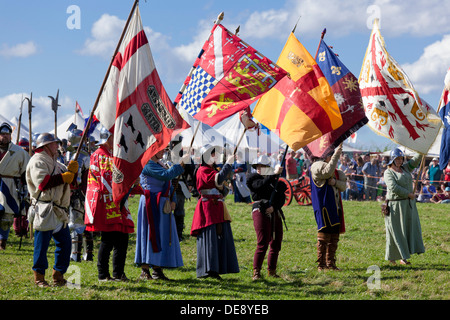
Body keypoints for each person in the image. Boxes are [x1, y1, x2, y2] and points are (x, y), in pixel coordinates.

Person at [84, 128, 140, 282]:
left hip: (119, 202)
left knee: (122, 239)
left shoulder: (116, 155)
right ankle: (103, 274)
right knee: (108, 240)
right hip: (106, 203)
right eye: (113, 137)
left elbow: (121, 177)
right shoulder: (98, 155)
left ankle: (118, 273)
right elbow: (104, 179)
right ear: (106, 138)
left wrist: (133, 182)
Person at [26, 133, 78, 287]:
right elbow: (42, 183)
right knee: (41, 247)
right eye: (54, 143)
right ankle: (39, 278)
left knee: (65, 243)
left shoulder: (56, 162)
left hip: (58, 210)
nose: (57, 146)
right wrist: (64, 177)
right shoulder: (37, 160)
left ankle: (58, 276)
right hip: (44, 209)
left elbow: (69, 183)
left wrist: (72, 173)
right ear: (46, 146)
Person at [135, 146, 186, 280]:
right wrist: (180, 165)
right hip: (150, 202)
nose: (164, 151)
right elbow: (165, 175)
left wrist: (172, 199)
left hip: (161, 203)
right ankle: (145, 270)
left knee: (161, 235)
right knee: (149, 234)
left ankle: (157, 268)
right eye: (161, 149)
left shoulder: (161, 163)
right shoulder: (147, 163)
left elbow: (169, 182)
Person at [190, 145, 239, 279]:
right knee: (210, 237)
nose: (215, 157)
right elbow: (218, 179)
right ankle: (209, 269)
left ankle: (217, 267)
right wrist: (228, 164)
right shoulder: (203, 170)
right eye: (213, 155)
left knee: (219, 236)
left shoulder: (210, 169)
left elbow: (222, 187)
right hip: (208, 208)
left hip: (216, 206)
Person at [246, 155, 286, 280]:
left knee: (276, 242)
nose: (259, 168)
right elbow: (260, 186)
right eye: (257, 166)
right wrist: (273, 174)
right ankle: (256, 272)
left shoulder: (275, 181)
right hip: (260, 210)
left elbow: (281, 198)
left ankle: (272, 271)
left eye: (262, 166)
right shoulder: (252, 178)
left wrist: (274, 207)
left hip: (274, 211)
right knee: (262, 242)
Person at [383, 148, 425, 265]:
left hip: (408, 205)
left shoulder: (405, 168)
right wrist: (408, 194)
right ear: (392, 159)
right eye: (397, 159)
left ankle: (403, 257)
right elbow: (393, 187)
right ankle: (394, 257)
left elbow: (415, 161)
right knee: (397, 232)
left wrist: (422, 150)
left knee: (406, 230)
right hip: (395, 206)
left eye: (401, 159)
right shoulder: (388, 172)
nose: (400, 161)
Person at [310, 143, 346, 271]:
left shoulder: (335, 171)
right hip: (323, 206)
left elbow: (343, 186)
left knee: (334, 237)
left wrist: (335, 182)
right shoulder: (316, 166)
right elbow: (327, 172)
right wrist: (337, 153)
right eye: (330, 154)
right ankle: (321, 265)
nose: (331, 157)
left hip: (335, 207)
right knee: (324, 236)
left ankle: (330, 263)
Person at [0, 122, 30, 250]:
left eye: (7, 134)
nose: (4, 136)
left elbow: (26, 171)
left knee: (7, 217)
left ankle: (3, 241)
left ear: (10, 136)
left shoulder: (19, 151)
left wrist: (24, 188)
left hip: (10, 184)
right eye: (2, 134)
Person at [66, 128, 93, 262]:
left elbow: (76, 179)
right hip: (85, 193)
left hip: (77, 193)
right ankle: (88, 254)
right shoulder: (82, 154)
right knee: (84, 223)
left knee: (75, 224)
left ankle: (75, 254)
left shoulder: (79, 156)